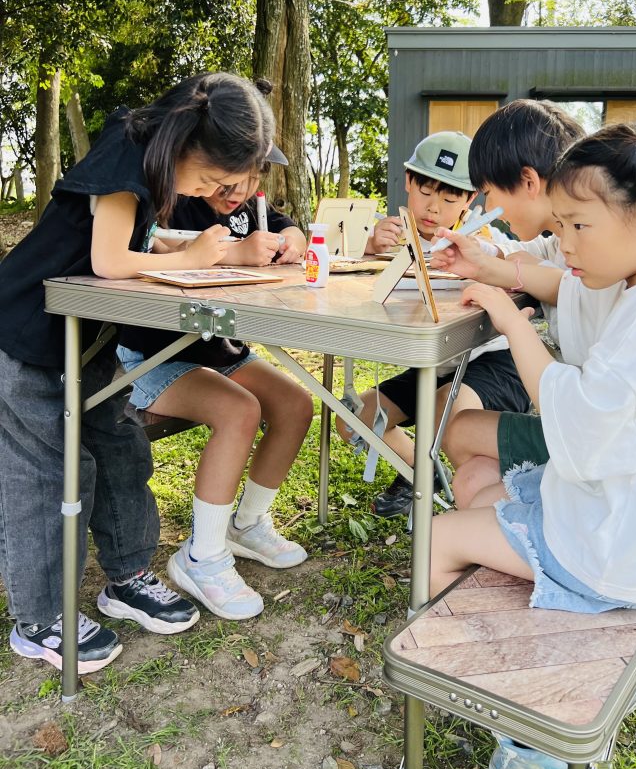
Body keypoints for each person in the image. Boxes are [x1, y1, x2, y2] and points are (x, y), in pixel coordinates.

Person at [0, 71, 277, 673]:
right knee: (49, 474)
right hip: (26, 340)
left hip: (85, 341)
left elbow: (138, 242)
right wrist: (201, 255)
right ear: (181, 140)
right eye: (207, 179)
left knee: (120, 445)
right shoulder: (126, 148)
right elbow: (106, 258)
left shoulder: (151, 162)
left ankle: (126, 576)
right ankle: (40, 618)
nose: (209, 190)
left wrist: (193, 251)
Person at [430, 120, 636, 621]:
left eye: (577, 227)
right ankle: (524, 625)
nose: (567, 245)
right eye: (560, 228)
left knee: (433, 540)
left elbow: (576, 426)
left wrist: (514, 323)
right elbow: (568, 286)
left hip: (629, 549)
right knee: (475, 486)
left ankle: (486, 667)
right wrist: (491, 270)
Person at [115, 171, 313, 622]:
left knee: (295, 405)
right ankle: (201, 556)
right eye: (224, 183)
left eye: (247, 183)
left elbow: (286, 224)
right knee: (239, 411)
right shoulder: (173, 204)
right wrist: (234, 256)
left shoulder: (248, 210)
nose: (234, 194)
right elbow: (153, 252)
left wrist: (292, 238)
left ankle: (246, 526)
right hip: (153, 355)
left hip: (220, 352)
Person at [336, 130, 530, 518]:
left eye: (450, 196)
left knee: (447, 409)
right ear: (408, 181)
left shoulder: (482, 236)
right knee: (352, 418)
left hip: (494, 362)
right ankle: (421, 474)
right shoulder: (391, 235)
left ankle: (484, 512)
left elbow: (517, 256)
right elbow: (342, 273)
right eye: (425, 190)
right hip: (435, 363)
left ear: (469, 200)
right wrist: (368, 247)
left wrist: (485, 255)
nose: (434, 207)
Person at [430, 100, 584, 507]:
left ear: (529, 181)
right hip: (578, 418)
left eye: (490, 192)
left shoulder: (592, 250)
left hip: (595, 433)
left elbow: (568, 283)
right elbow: (525, 254)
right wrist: (488, 258)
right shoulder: (558, 237)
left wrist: (508, 276)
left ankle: (552, 511)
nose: (487, 208)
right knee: (472, 479)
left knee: (459, 433)